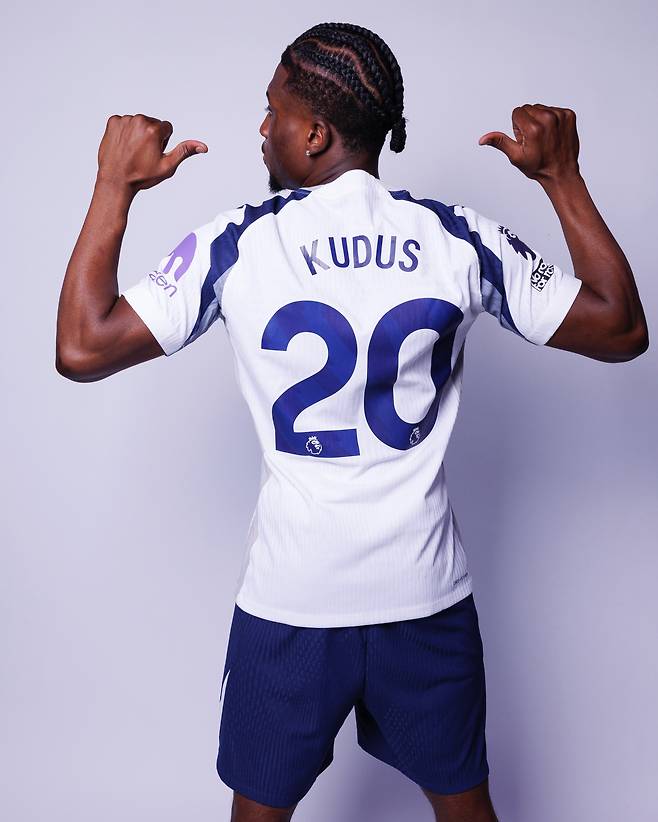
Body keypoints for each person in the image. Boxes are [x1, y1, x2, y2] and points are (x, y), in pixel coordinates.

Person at [55, 20, 648, 822]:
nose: (262, 127)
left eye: (273, 112)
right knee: (468, 812)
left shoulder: (243, 241)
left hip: (292, 608)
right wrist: (561, 176)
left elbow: (82, 347)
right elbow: (620, 327)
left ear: (315, 133)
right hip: (426, 601)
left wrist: (113, 184)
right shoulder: (456, 236)